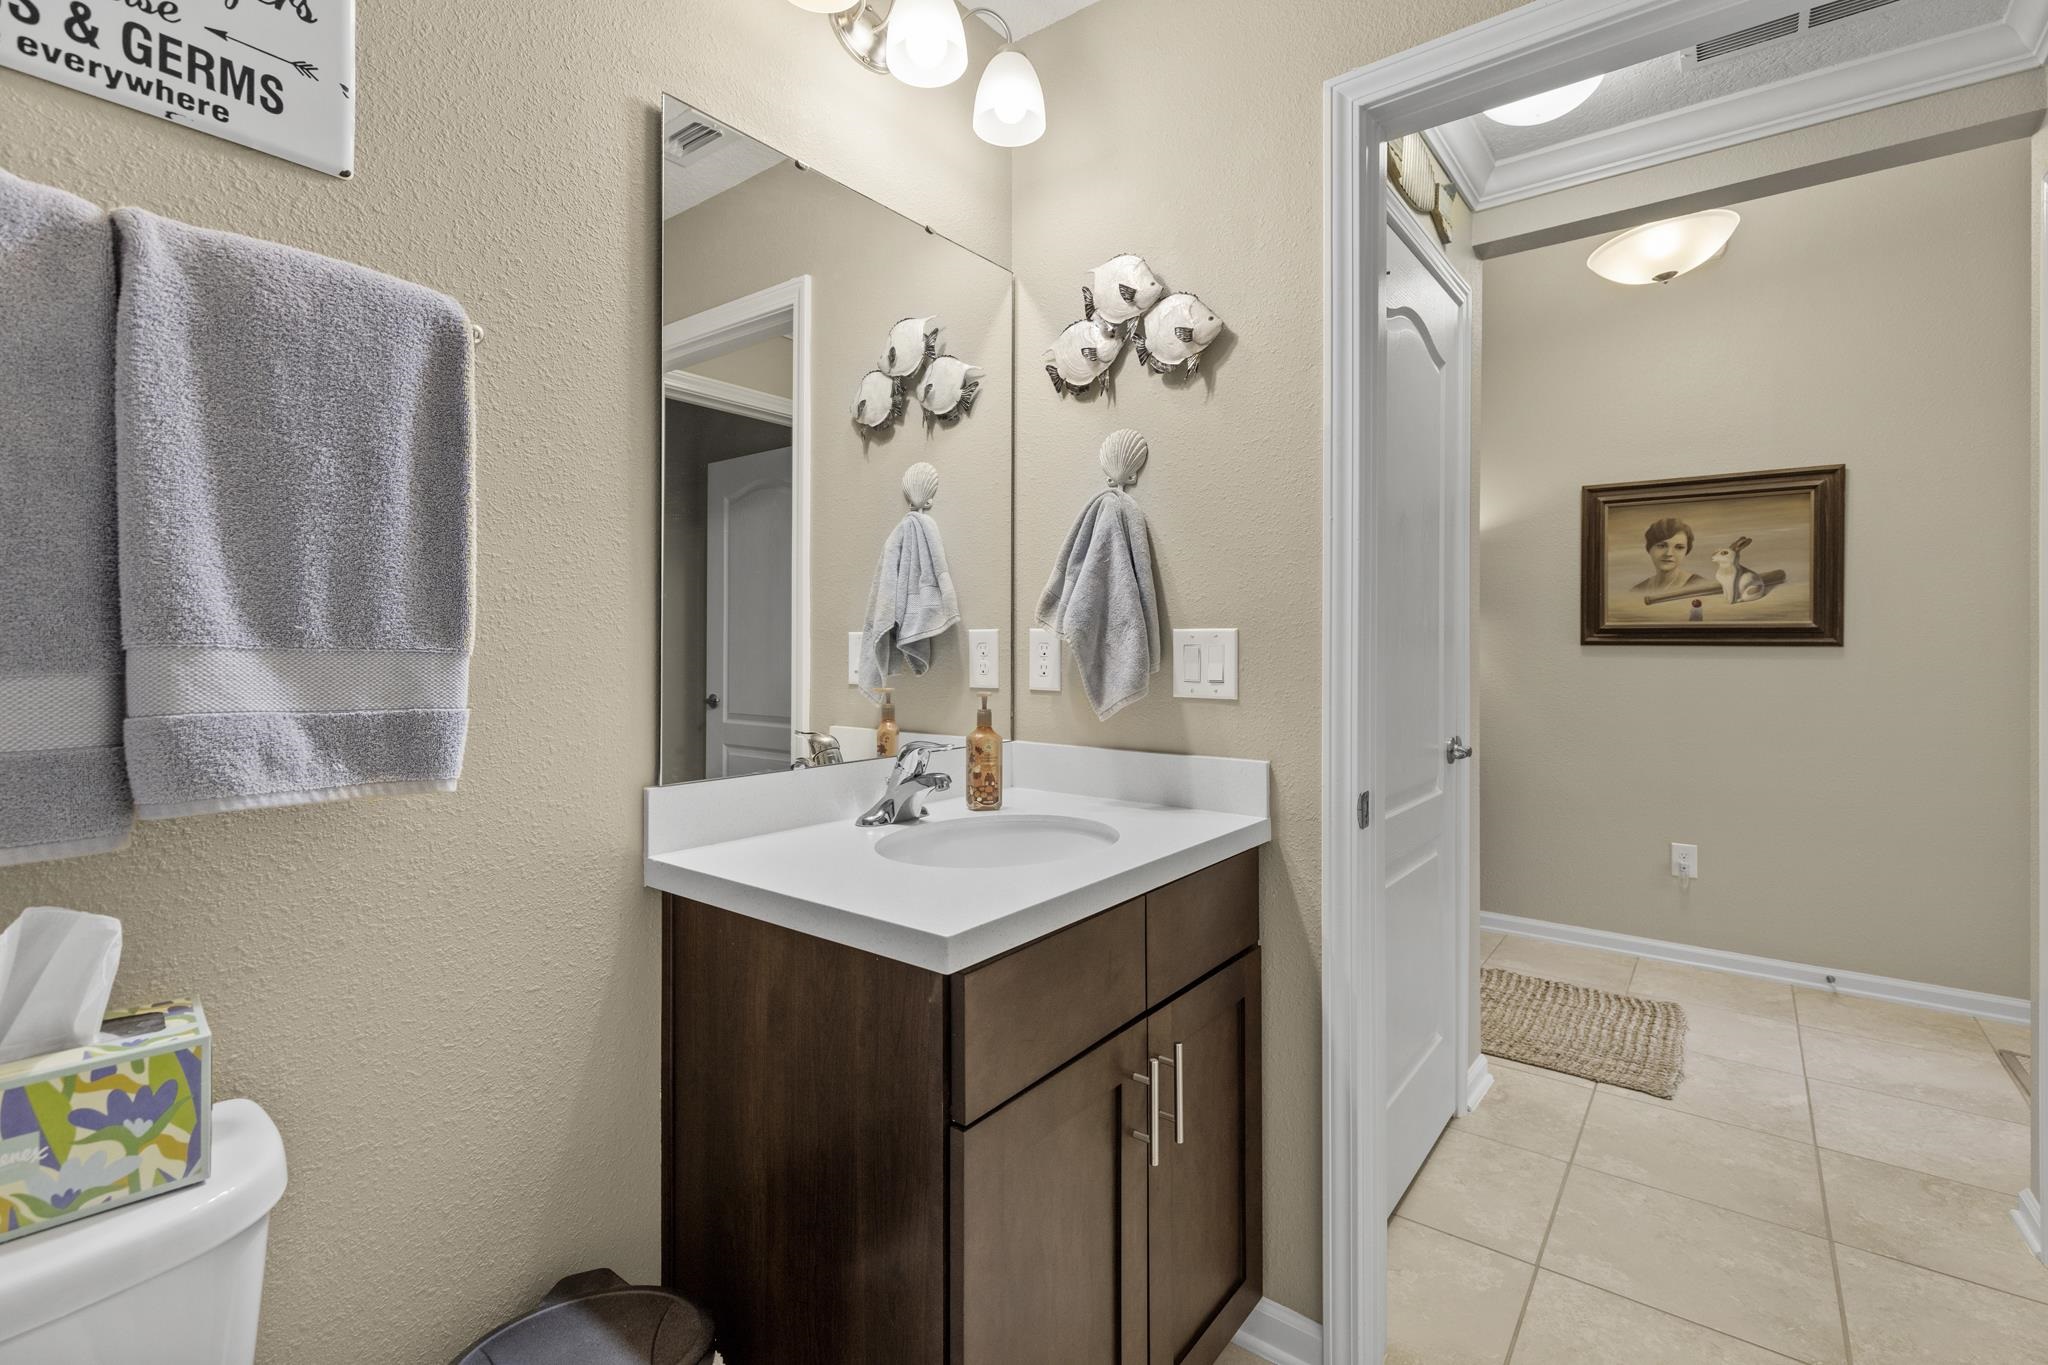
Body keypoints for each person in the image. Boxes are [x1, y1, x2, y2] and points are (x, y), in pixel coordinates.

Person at [1632, 516, 1715, 597]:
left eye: (1679, 547)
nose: (1669, 553)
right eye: (1661, 546)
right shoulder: (1637, 590)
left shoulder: (1701, 586)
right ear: (1649, 549)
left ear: (1686, 551)